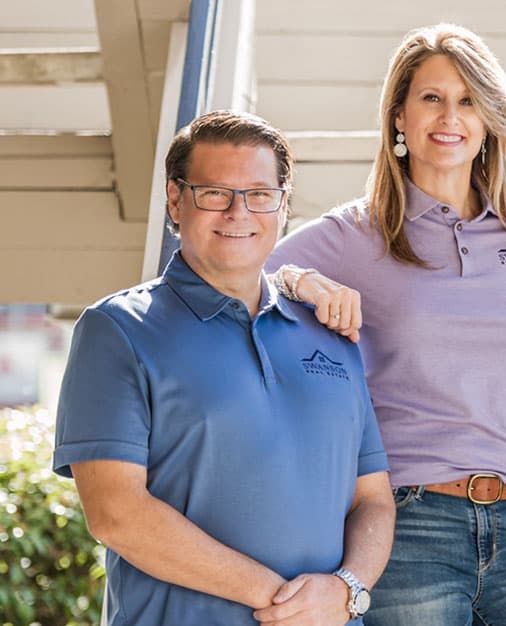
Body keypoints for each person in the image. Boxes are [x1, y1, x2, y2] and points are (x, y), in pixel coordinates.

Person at [266, 24, 506, 625]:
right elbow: (234, 272)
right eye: (431, 97)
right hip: (406, 524)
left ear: (489, 120)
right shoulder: (357, 233)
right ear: (399, 116)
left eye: (468, 100)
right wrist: (305, 281)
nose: (450, 116)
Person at [52, 110, 394, 625]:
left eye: (259, 194)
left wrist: (346, 591)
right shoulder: (117, 330)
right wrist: (285, 601)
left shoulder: (332, 334)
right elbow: (117, 515)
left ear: (283, 205)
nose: (239, 213)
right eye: (214, 193)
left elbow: (373, 500)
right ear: (175, 199)